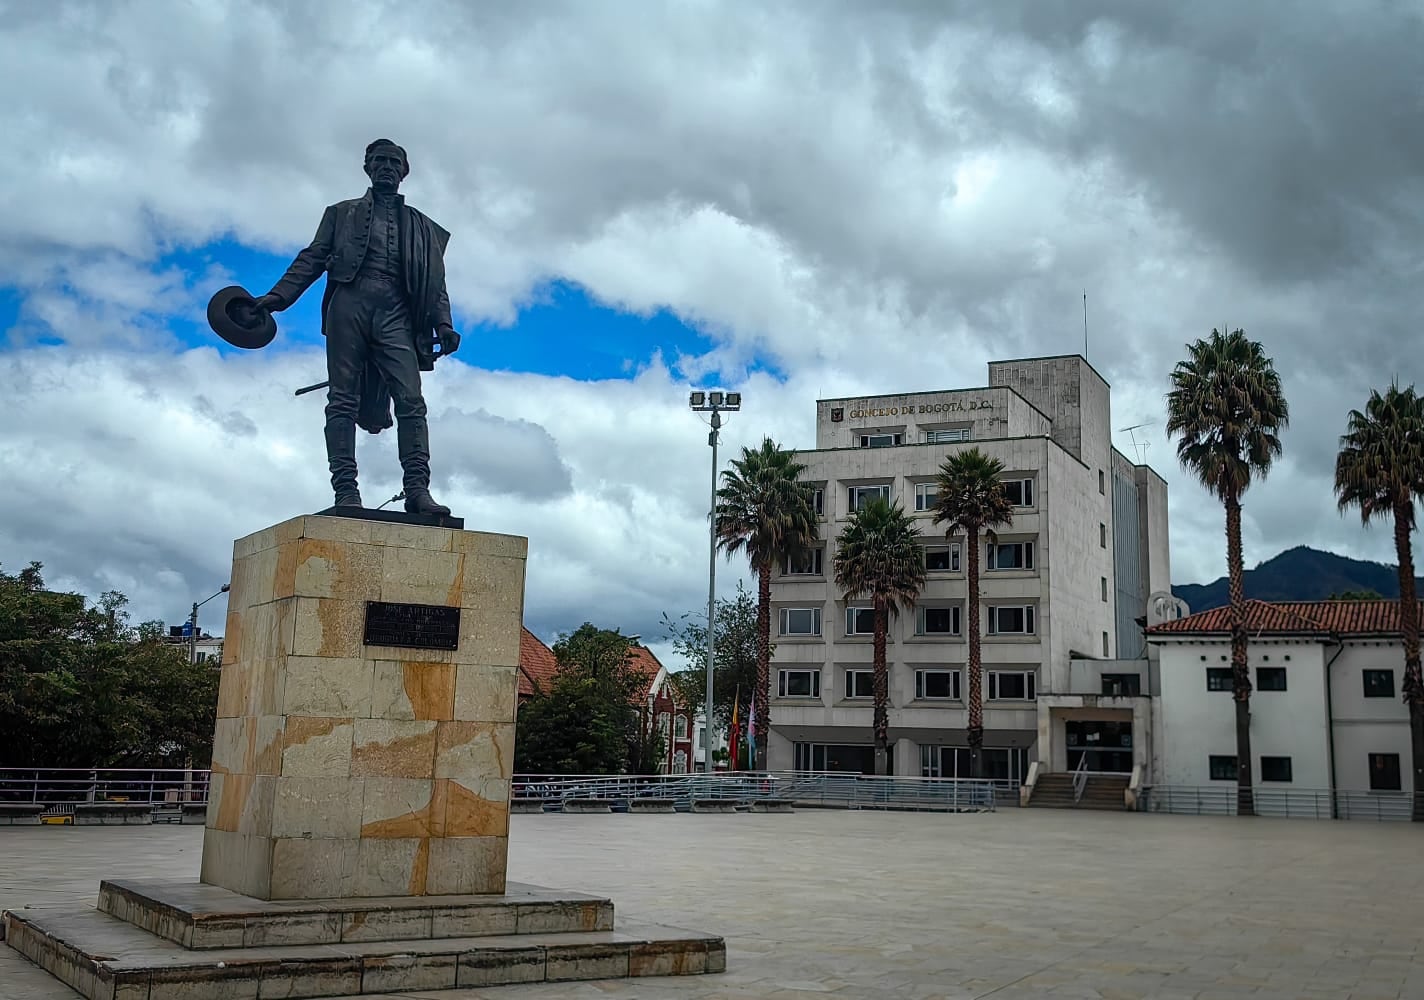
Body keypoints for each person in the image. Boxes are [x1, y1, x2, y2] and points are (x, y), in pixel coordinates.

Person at [254, 139, 460, 516]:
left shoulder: (422, 227)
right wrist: (276, 298)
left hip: (396, 312)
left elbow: (435, 282)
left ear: (403, 171)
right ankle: (346, 490)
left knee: (411, 401)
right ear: (367, 168)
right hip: (349, 303)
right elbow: (312, 258)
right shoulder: (340, 213)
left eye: (393, 162)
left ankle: (418, 490)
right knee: (342, 400)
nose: (386, 167)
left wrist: (443, 323)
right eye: (379, 161)